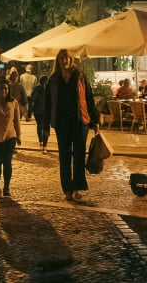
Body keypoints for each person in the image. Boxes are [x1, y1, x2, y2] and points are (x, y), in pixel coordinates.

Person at [47, 49, 100, 201]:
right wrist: (46, 123)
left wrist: (95, 119)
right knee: (64, 157)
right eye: (62, 58)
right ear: (58, 61)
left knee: (79, 156)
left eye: (67, 58)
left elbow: (89, 98)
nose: (64, 61)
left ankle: (77, 187)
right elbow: (48, 102)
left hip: (79, 122)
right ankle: (67, 189)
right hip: (61, 123)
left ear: (71, 60)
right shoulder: (54, 79)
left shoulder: (80, 77)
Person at [31, 75, 50, 153]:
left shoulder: (37, 89)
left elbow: (33, 100)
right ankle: (45, 147)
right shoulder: (49, 89)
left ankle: (41, 142)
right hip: (47, 112)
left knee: (39, 126)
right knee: (46, 128)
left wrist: (30, 111)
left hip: (38, 111)